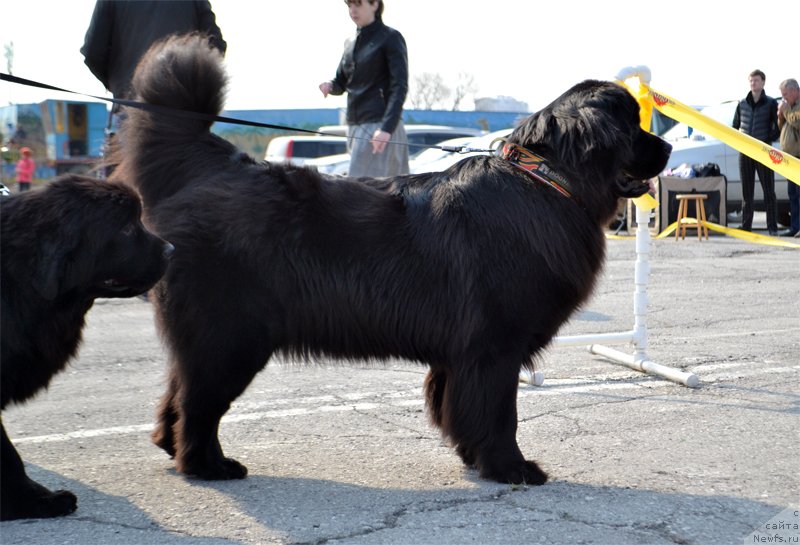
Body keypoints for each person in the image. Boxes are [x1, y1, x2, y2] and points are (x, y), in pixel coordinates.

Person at [81, 0, 226, 138]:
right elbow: (215, 46)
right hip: (185, 114)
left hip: (132, 109)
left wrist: (116, 84)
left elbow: (93, 53)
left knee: (128, 161)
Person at [319, 0, 409, 177]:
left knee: (363, 192)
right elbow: (342, 82)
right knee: (374, 194)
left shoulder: (390, 37)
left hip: (380, 125)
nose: (352, 10)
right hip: (353, 124)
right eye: (349, 5)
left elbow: (399, 86)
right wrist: (331, 86)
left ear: (374, 4)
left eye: (358, 4)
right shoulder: (349, 43)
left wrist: (386, 129)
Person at [732, 69, 780, 235]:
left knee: (769, 191)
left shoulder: (771, 103)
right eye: (751, 81)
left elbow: (777, 127)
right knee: (747, 191)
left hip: (763, 152)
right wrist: (740, 143)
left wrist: (767, 140)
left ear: (763, 82)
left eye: (756, 80)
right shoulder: (741, 103)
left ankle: (772, 227)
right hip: (745, 153)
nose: (753, 83)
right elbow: (734, 127)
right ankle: (746, 226)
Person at [777, 79, 800, 238]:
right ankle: (795, 227)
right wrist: (780, 115)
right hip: (790, 158)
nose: (783, 98)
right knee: (793, 194)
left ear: (794, 91)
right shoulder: (789, 107)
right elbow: (782, 127)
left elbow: (797, 122)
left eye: (785, 94)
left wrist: (785, 111)